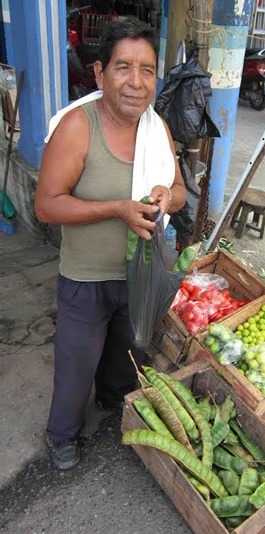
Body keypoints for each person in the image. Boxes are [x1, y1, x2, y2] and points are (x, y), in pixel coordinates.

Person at [34, 20, 186, 470]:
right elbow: (47, 205)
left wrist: (165, 196)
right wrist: (115, 208)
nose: (136, 82)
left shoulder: (157, 130)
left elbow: (178, 191)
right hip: (85, 277)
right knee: (76, 363)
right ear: (100, 73)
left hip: (139, 276)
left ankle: (114, 399)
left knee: (126, 351)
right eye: (123, 67)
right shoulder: (78, 128)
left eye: (147, 70)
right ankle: (61, 434)